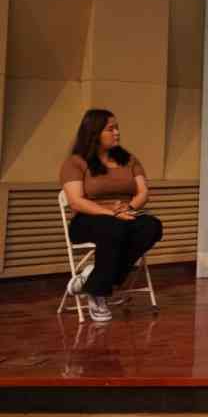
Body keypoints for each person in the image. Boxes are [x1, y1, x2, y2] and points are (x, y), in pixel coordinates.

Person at [60, 109, 164, 323]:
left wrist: (129, 208)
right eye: (111, 129)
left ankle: (94, 280)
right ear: (94, 132)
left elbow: (143, 192)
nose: (117, 133)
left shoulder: (129, 159)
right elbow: (76, 201)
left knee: (152, 226)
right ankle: (98, 293)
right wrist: (112, 213)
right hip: (88, 219)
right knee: (114, 228)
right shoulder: (76, 162)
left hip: (125, 215)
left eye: (117, 128)